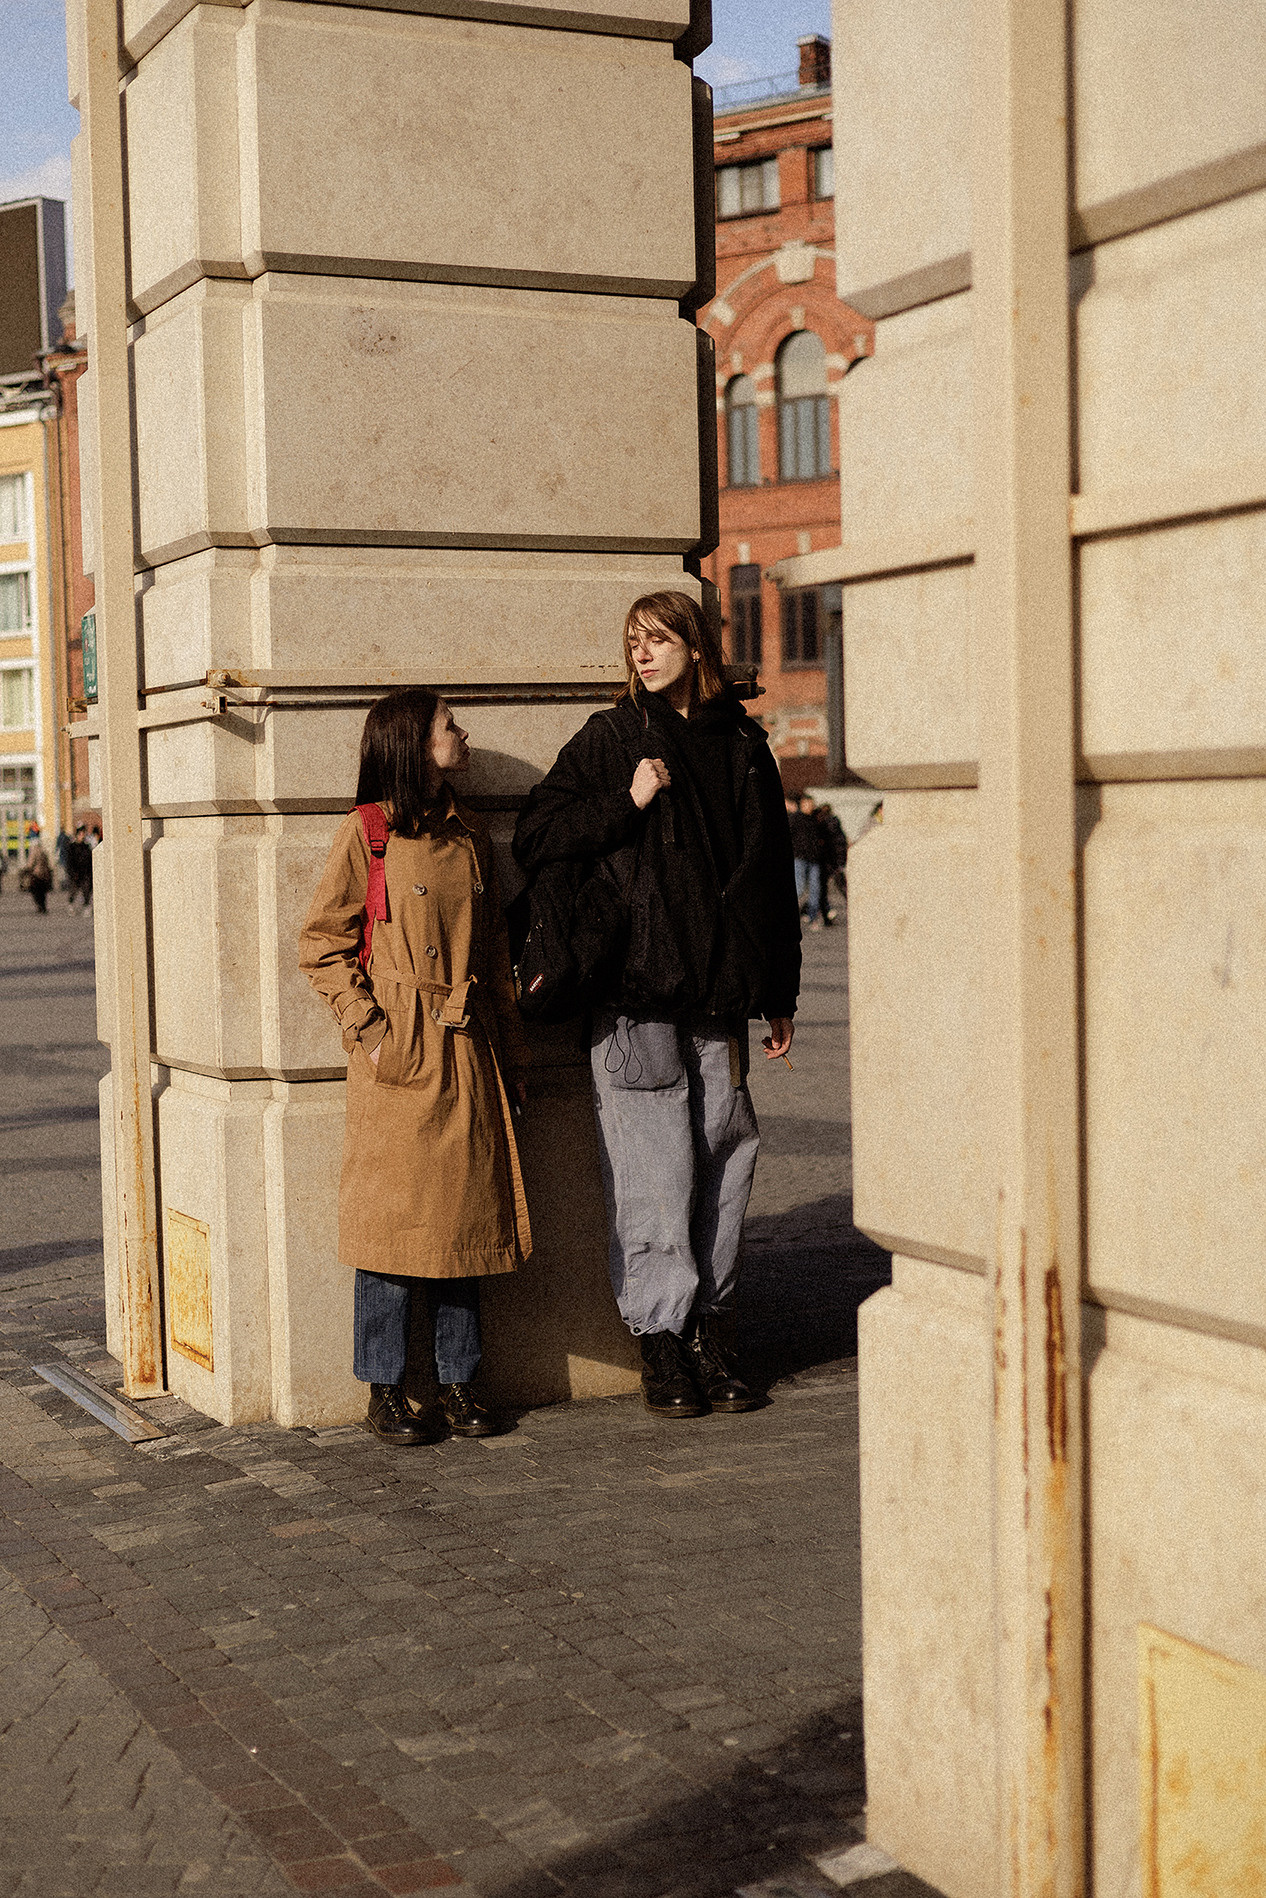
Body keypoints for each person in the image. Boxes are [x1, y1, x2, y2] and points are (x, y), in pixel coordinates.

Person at [513, 591, 800, 1420]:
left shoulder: (742, 742)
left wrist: (776, 988)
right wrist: (624, 803)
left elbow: (771, 874)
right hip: (637, 996)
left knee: (725, 1158)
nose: (642, 654)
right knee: (652, 1171)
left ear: (696, 646)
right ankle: (662, 1342)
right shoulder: (613, 739)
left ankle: (714, 1329)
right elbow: (537, 834)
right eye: (632, 642)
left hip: (719, 994)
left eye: (659, 639)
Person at [299, 687, 532, 1446]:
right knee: (392, 1236)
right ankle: (387, 1390)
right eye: (448, 726)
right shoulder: (366, 835)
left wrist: (514, 1057)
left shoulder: (470, 837)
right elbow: (321, 945)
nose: (462, 736)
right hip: (398, 1060)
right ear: (409, 744)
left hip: (467, 1048)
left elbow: (495, 957)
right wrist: (370, 1031)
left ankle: (462, 1384)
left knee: (462, 1228)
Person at [787, 794, 823, 928]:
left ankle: (813, 917)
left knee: (815, 889)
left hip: (814, 859)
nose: (811, 806)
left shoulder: (815, 820)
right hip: (799, 858)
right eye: (808, 804)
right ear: (802, 804)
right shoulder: (795, 819)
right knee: (799, 888)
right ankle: (788, 915)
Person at [23, 833, 53, 913]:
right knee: (42, 893)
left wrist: (26, 870)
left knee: (35, 892)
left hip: (36, 875)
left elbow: (30, 863)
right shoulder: (43, 850)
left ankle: (40, 906)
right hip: (44, 875)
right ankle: (43, 906)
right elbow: (48, 863)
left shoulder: (33, 851)